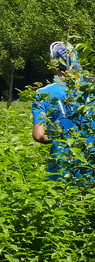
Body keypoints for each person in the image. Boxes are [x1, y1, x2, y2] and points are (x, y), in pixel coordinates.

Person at [33, 41, 94, 180]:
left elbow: (38, 135)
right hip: (90, 165)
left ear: (53, 62)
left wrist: (58, 137)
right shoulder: (91, 89)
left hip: (62, 168)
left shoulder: (43, 94)